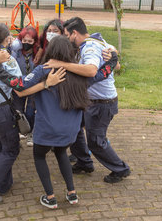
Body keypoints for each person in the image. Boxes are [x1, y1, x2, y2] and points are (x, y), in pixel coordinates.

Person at [0, 35, 92, 209]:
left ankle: (50, 197)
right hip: (70, 130)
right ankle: (72, 193)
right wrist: (114, 56)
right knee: (61, 153)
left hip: (48, 128)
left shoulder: (45, 69)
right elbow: (103, 72)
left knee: (39, 155)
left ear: (51, 51)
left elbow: (18, 85)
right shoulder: (80, 71)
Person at [44, 17, 131, 183]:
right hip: (92, 101)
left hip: (102, 103)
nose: (67, 39)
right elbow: (116, 66)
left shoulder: (90, 46)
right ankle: (84, 162)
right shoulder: (97, 39)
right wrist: (113, 55)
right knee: (74, 128)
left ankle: (121, 169)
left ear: (75, 33)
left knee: (96, 141)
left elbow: (91, 71)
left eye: (67, 35)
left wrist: (62, 64)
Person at [10, 26, 39, 146]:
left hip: (33, 85)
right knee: (18, 110)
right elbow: (11, 59)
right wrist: (16, 44)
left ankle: (31, 132)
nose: (26, 44)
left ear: (34, 42)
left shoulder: (37, 54)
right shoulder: (17, 52)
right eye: (24, 41)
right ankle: (22, 130)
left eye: (30, 41)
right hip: (19, 85)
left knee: (31, 111)